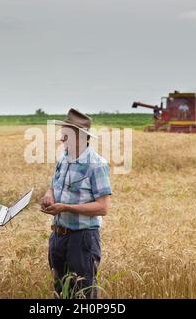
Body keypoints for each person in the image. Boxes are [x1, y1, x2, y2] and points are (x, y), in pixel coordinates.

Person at [40, 108, 112, 299]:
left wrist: (65, 208)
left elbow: (103, 207)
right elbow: (52, 186)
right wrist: (49, 196)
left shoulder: (97, 165)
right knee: (60, 292)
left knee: (83, 294)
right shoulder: (63, 159)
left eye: (65, 134)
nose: (61, 138)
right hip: (58, 236)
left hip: (82, 240)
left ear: (78, 136)